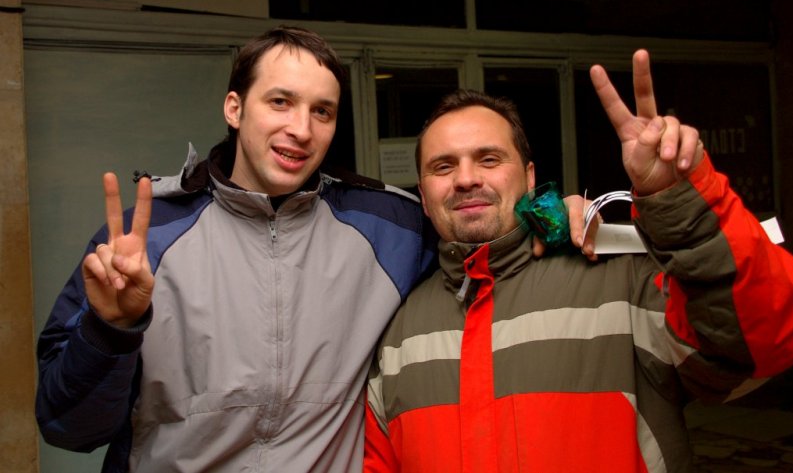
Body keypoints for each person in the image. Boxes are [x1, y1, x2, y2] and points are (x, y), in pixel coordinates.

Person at [35, 26, 592, 472]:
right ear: (235, 109)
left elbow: (479, 228)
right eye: (280, 102)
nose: (301, 129)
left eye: (321, 111)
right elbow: (67, 428)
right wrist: (111, 330)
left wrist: (554, 214)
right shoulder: (146, 238)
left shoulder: (389, 226)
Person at [364, 51, 793, 473]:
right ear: (424, 196)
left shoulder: (621, 284)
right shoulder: (399, 331)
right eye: (443, 167)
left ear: (530, 178)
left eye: (489, 159)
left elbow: (762, 341)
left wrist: (679, 203)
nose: (465, 178)